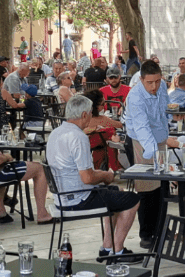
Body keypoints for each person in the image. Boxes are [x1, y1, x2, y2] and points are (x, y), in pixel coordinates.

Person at [45, 93, 140, 255]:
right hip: (77, 198)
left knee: (118, 193)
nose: (91, 117)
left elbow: (82, 172)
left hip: (61, 196)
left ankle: (107, 247)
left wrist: (102, 175)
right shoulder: (78, 136)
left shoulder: (56, 132)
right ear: (84, 115)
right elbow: (87, 178)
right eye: (90, 113)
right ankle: (118, 250)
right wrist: (105, 176)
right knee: (133, 199)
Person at [125, 60, 185, 247]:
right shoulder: (135, 97)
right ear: (141, 79)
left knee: (162, 187)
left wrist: (173, 113)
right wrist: (156, 157)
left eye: (157, 82)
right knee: (146, 189)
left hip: (160, 138)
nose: (154, 86)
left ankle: (161, 229)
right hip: (141, 142)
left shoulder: (161, 87)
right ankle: (147, 235)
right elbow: (142, 128)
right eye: (149, 83)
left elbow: (164, 107)